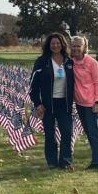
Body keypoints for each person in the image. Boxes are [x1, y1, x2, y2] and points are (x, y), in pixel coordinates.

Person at [30, 33, 74, 170]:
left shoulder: (69, 61)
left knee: (66, 132)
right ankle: (52, 162)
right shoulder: (42, 61)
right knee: (50, 134)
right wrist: (38, 104)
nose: (55, 45)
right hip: (47, 104)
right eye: (53, 43)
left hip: (64, 103)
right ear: (49, 46)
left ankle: (65, 161)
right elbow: (33, 85)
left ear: (63, 44)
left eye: (58, 43)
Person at [71, 36, 98, 169]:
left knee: (93, 133)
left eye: (79, 46)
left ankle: (96, 162)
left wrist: (97, 101)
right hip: (79, 104)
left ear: (84, 47)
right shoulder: (70, 62)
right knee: (88, 132)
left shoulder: (92, 63)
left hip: (91, 104)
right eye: (73, 46)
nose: (76, 48)